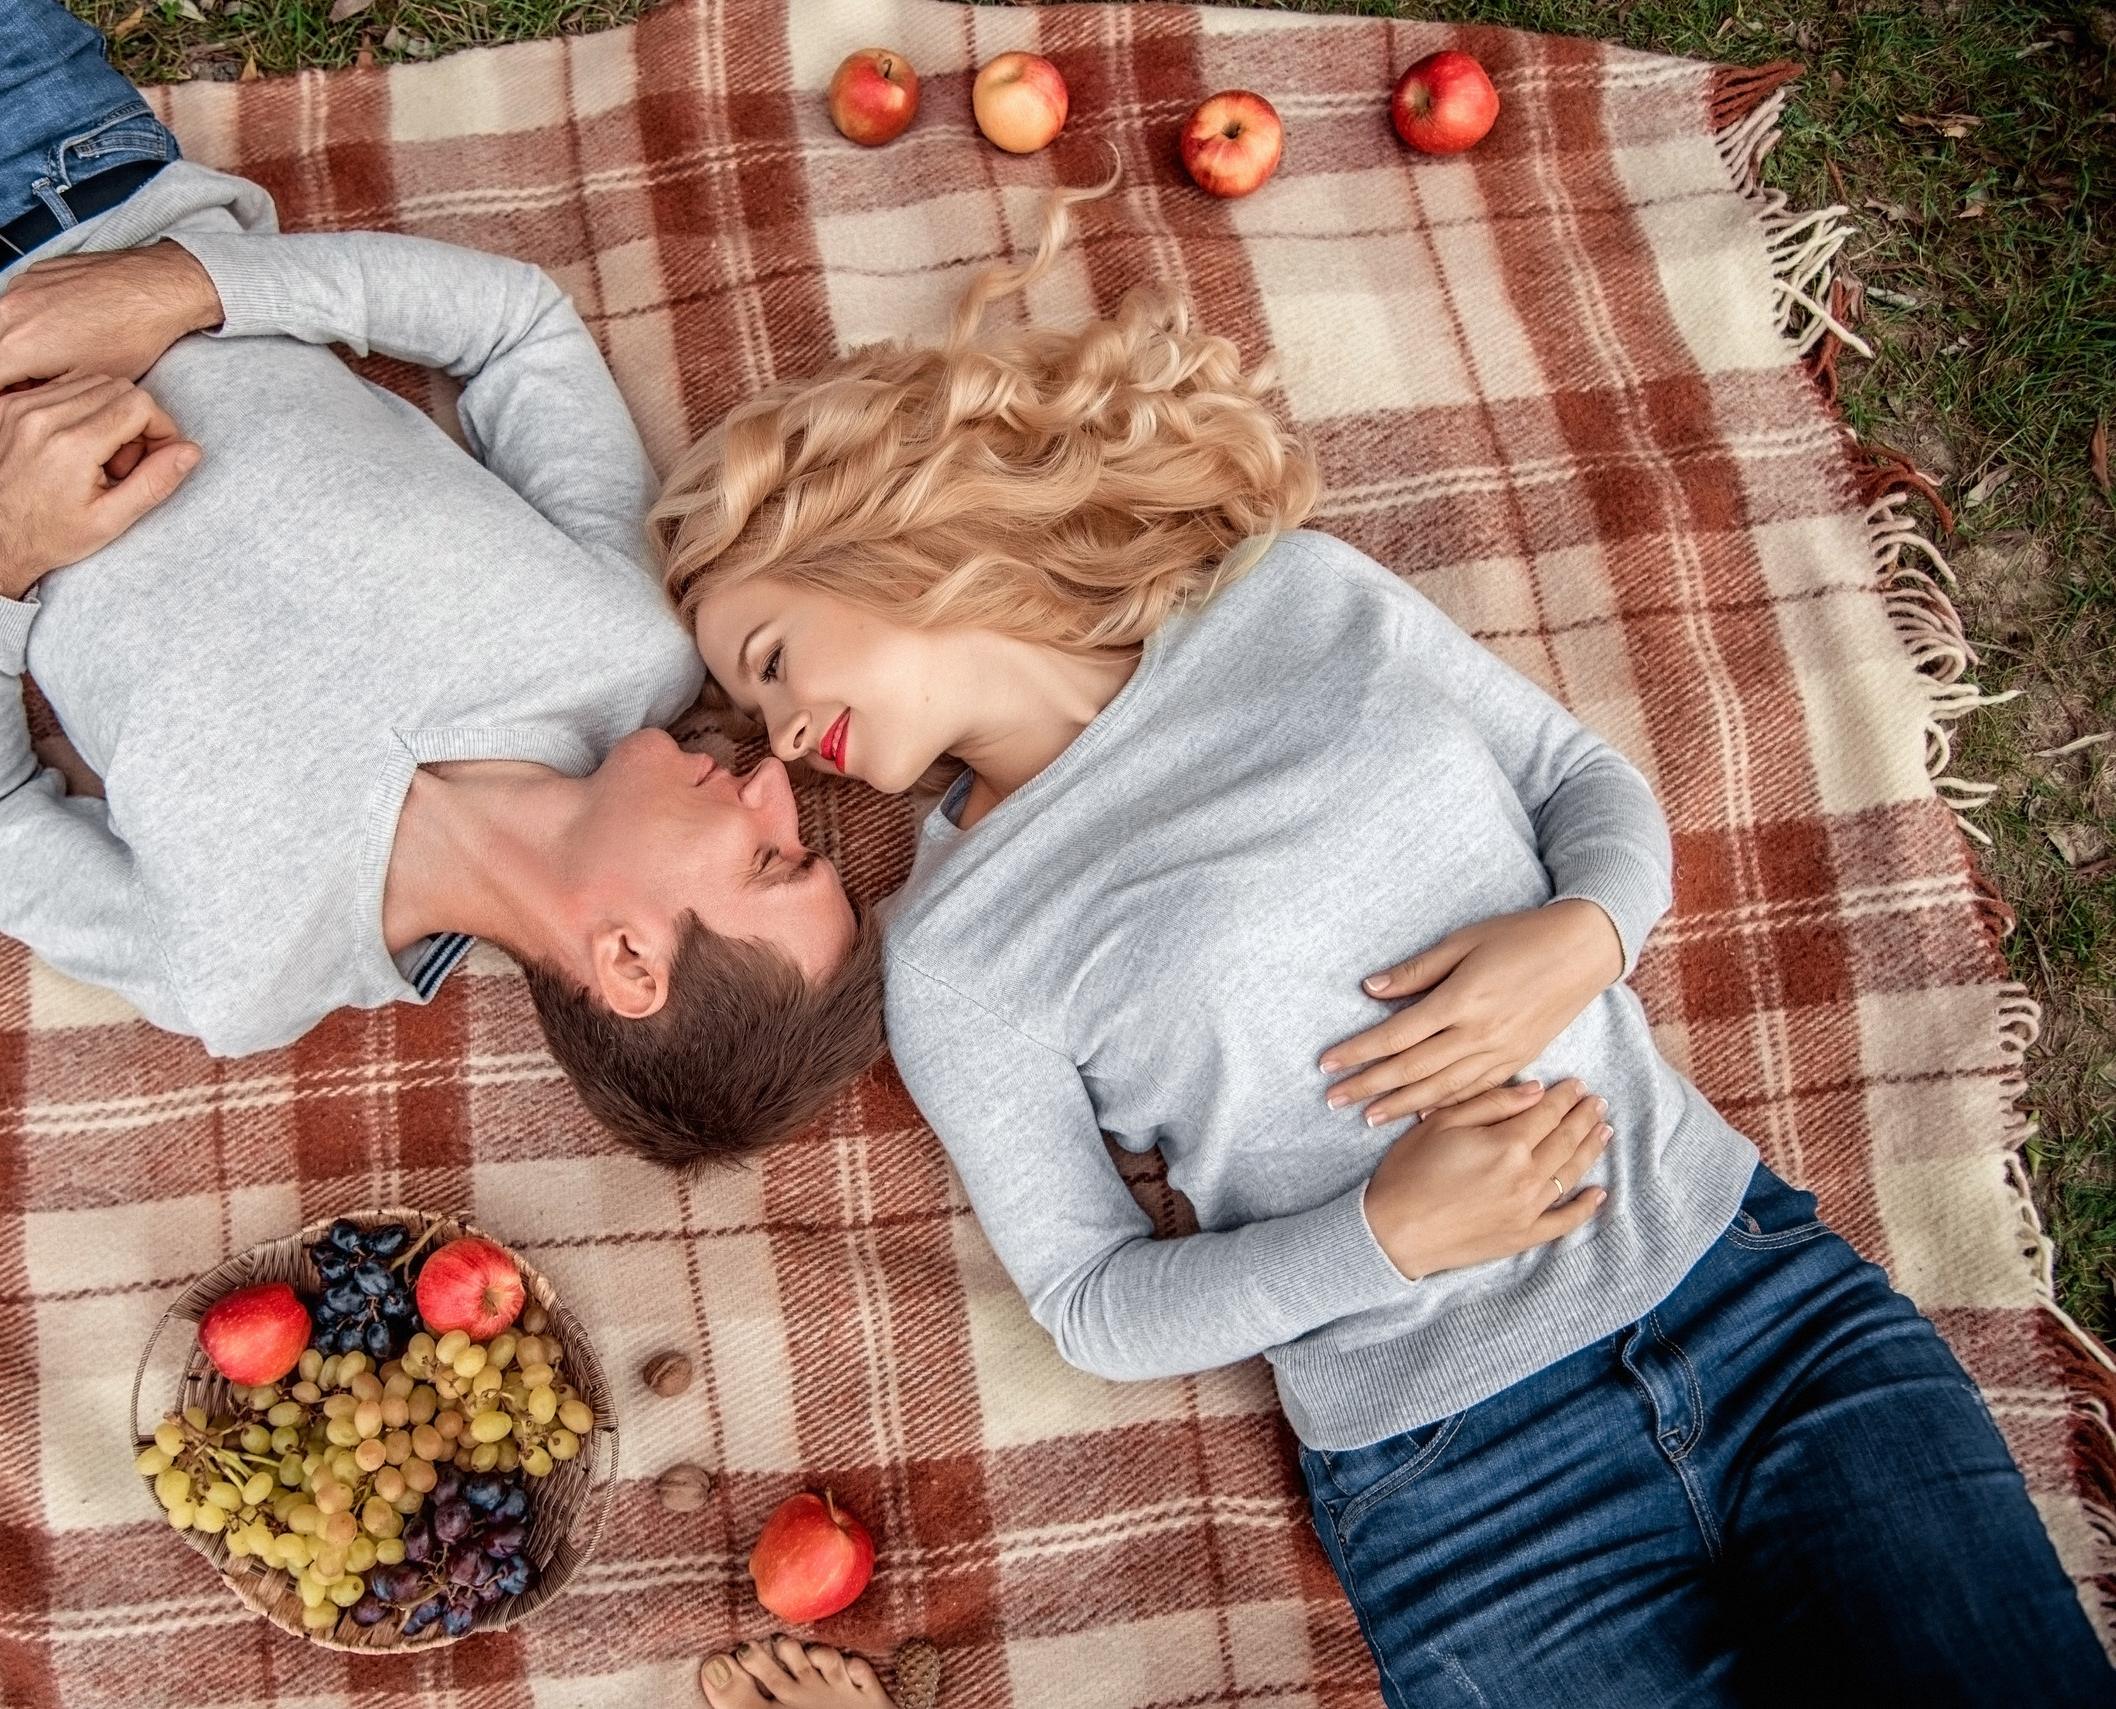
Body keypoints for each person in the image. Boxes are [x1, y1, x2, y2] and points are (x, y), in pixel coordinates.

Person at [652, 190, 2115, 1705]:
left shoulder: (1292, 597)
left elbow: (1580, 784)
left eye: (770, 661)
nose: (783, 736)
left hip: (1758, 1308)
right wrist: (1385, 1237)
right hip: (1466, 1490)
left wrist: (1581, 938)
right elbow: (1093, 1294)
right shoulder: (952, 949)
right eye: (755, 715)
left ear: (877, 531)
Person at [0, 0, 885, 1157]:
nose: (772, 780)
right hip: (42, 149)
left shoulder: (242, 969)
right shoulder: (627, 644)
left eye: (769, 856)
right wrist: (188, 292)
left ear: (629, 960)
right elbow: (515, 331)